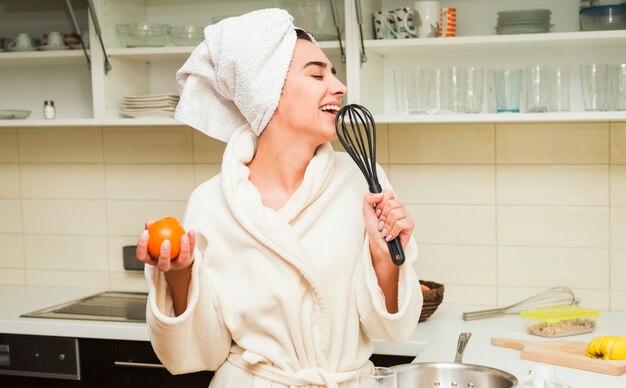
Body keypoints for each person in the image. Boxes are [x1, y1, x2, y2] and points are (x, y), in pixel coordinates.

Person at [136, 8, 422, 388]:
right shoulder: (211, 203)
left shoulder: (361, 181)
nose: (339, 87)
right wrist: (179, 274)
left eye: (333, 74)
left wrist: (384, 258)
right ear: (267, 89)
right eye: (318, 74)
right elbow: (202, 352)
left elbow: (391, 329)